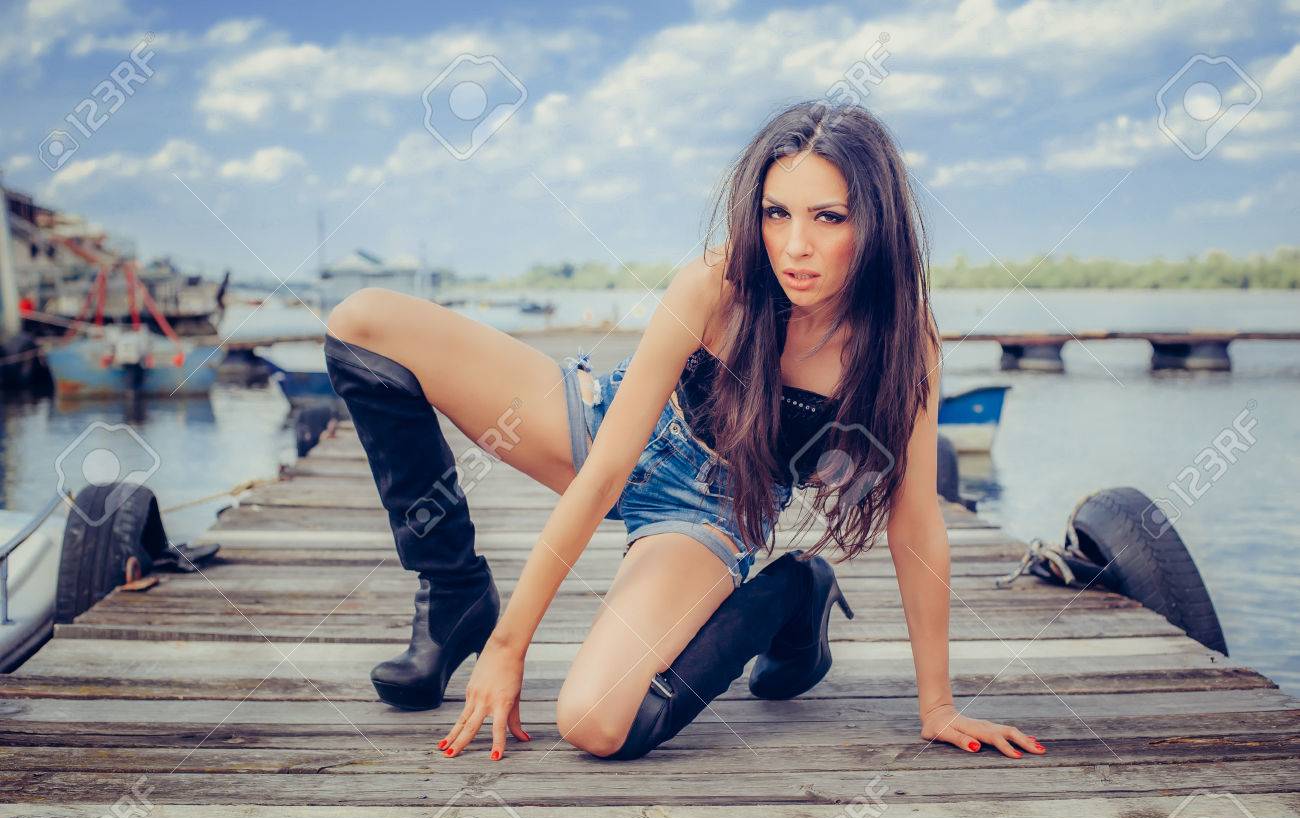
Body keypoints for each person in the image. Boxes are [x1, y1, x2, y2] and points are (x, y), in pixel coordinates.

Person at [322, 100, 1046, 763]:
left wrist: (937, 705)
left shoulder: (903, 342)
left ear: (876, 222)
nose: (795, 245)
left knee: (595, 722)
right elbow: (606, 469)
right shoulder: (715, 285)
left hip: (707, 506)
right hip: (606, 425)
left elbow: (915, 523)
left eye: (828, 217)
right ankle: (453, 593)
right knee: (363, 322)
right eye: (776, 213)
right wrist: (507, 644)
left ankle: (793, 592)